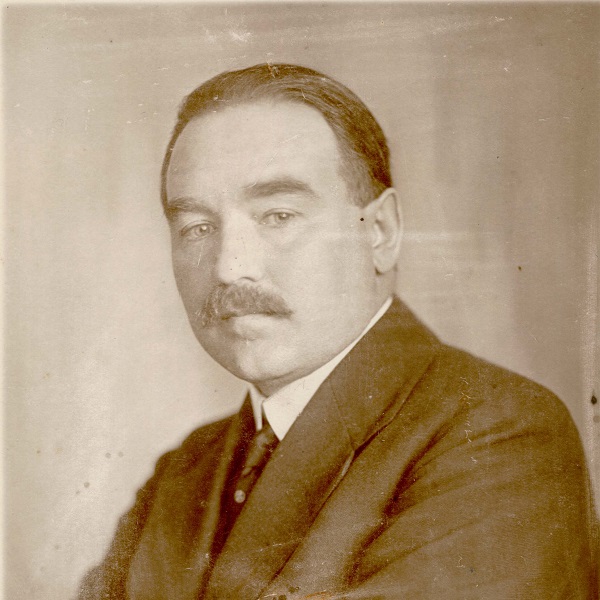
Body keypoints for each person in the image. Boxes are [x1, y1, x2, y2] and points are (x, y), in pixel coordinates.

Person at [78, 63, 597, 600]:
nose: (229, 267)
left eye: (278, 216)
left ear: (380, 232)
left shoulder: (498, 433)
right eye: (198, 228)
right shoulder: (183, 473)